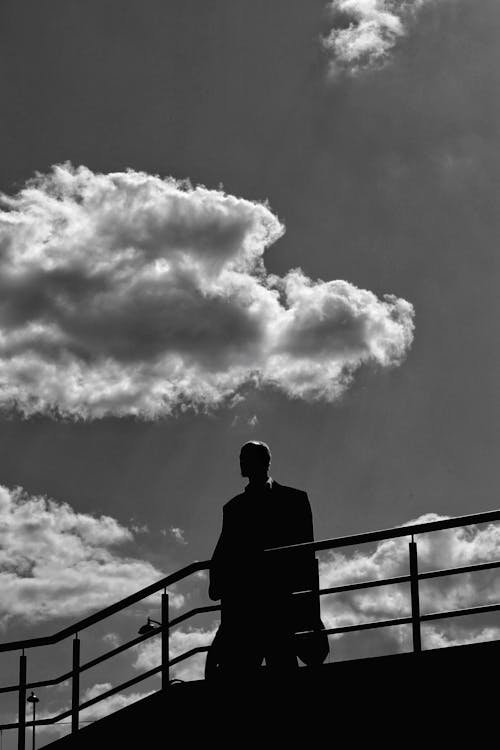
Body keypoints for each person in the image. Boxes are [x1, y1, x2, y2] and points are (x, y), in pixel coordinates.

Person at [207, 441, 328, 677]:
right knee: (244, 670)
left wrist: (305, 605)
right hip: (248, 604)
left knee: (280, 665)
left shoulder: (294, 500)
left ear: (264, 462)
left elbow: (305, 553)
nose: (242, 463)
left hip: (279, 602)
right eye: (241, 457)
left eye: (247, 457)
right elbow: (224, 548)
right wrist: (217, 581)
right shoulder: (234, 508)